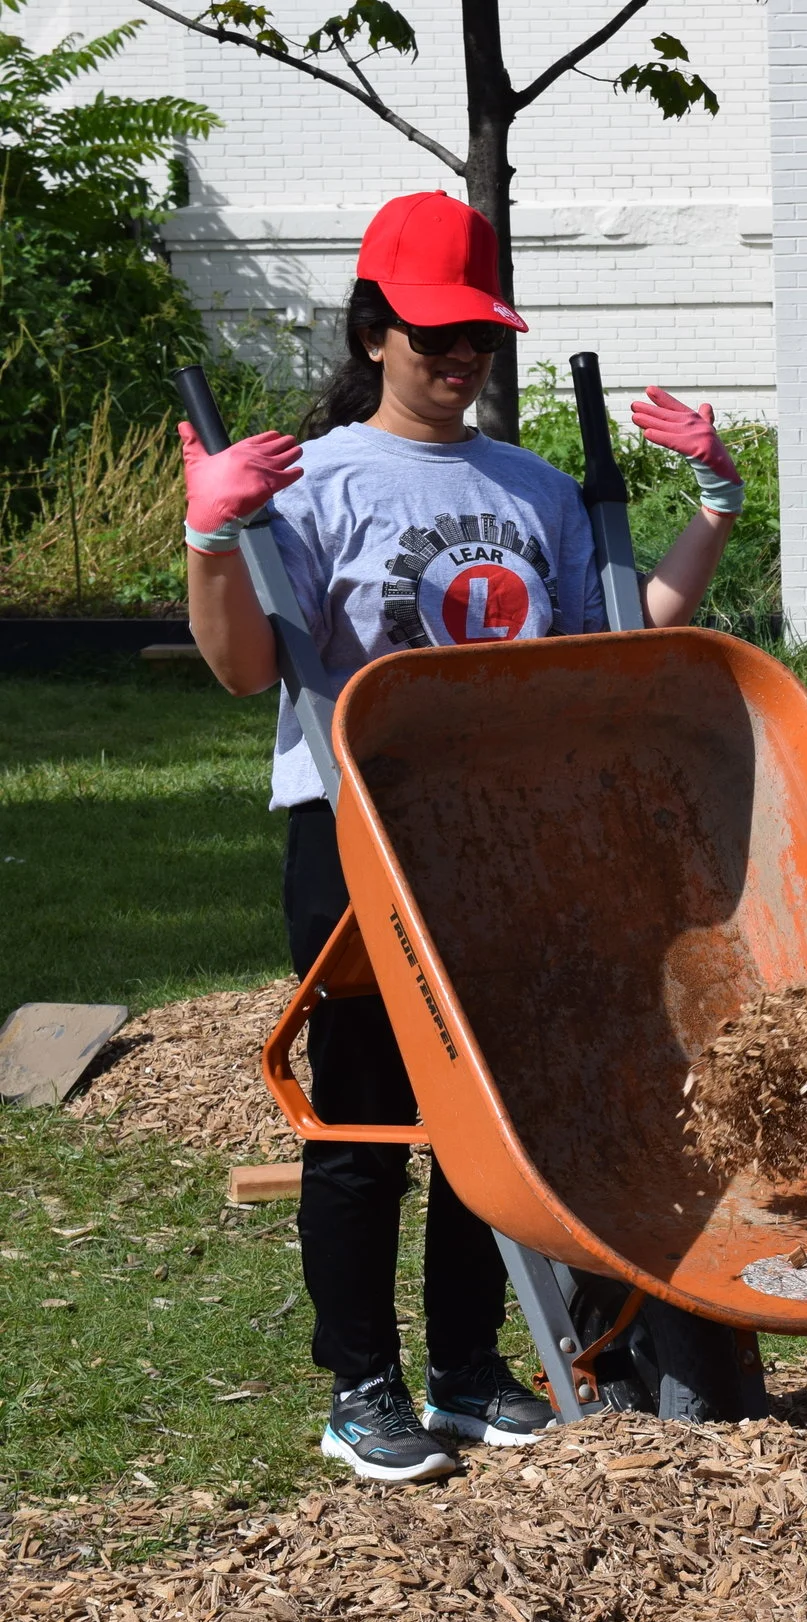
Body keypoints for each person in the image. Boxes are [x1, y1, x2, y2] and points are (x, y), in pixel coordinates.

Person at [180, 191, 742, 1484]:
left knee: (494, 1120)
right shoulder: (309, 482)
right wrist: (214, 532)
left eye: (479, 338)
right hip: (357, 831)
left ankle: (470, 1369)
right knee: (370, 1114)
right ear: (374, 329)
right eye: (434, 334)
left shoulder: (535, 485)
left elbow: (617, 631)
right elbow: (240, 664)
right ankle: (361, 1386)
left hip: (505, 840)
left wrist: (710, 504)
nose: (458, 359)